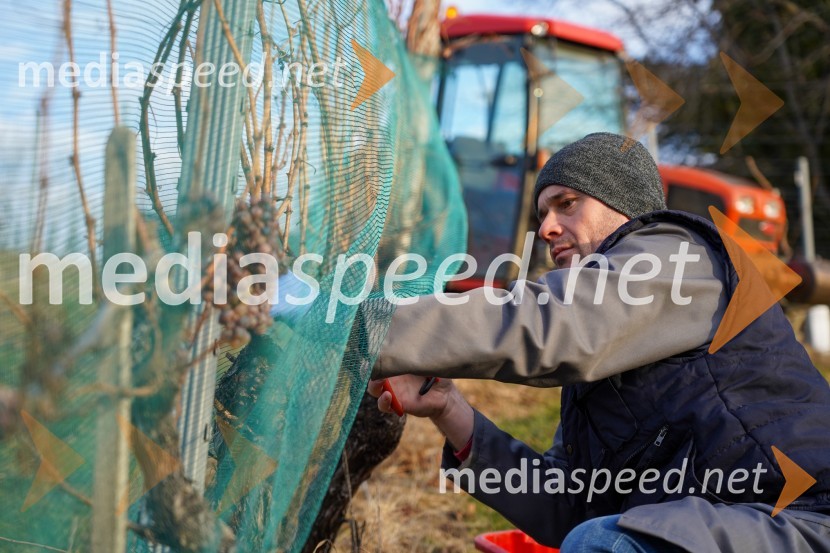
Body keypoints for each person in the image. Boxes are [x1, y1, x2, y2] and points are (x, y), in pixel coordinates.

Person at [367, 132, 830, 552]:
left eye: (566, 204)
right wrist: (452, 411)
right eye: (542, 213)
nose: (546, 229)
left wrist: (365, 327)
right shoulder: (605, 366)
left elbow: (544, 321)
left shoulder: (679, 257)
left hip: (800, 523)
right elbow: (570, 506)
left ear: (623, 204)